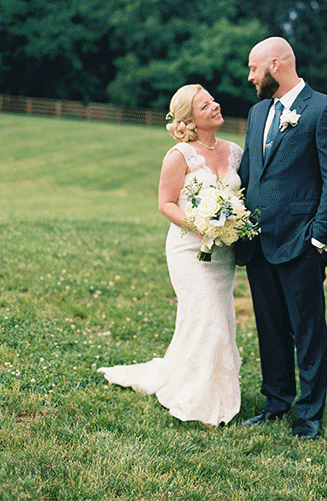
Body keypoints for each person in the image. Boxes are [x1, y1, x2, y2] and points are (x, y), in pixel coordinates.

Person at [98, 84, 241, 427]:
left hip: (223, 251)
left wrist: (234, 223)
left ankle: (216, 388)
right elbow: (165, 203)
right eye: (206, 106)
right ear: (190, 120)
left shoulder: (235, 152)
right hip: (188, 248)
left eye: (213, 101)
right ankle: (197, 397)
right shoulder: (179, 155)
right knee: (208, 317)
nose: (215, 106)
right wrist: (199, 225)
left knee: (218, 318)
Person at [235, 36, 327, 441]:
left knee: (307, 329)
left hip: (301, 241)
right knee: (269, 326)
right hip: (257, 241)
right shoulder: (256, 113)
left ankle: (309, 414)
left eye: (254, 68)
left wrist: (320, 238)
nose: (250, 77)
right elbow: (250, 173)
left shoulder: (324, 110)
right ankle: (276, 402)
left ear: (276, 65)